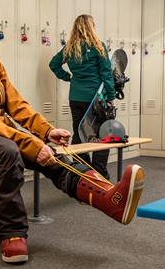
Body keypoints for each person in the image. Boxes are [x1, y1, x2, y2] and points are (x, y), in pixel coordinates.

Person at [0, 0, 145, 264]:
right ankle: (11, 234)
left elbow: (16, 104)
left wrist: (45, 132)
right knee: (8, 150)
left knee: (52, 153)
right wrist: (31, 144)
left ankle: (109, 199)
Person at [49, 14, 115, 179]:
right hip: (96, 99)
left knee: (79, 135)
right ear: (91, 27)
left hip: (76, 98)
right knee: (101, 136)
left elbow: (53, 64)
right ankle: (100, 174)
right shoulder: (98, 46)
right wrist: (111, 96)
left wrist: (68, 77)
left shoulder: (70, 48)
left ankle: (84, 173)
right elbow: (106, 73)